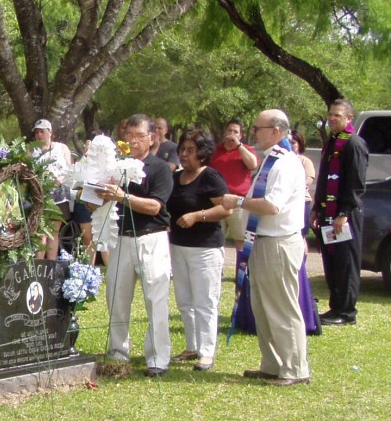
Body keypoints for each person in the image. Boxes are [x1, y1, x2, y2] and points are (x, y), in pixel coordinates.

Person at [222, 109, 310, 386]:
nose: (253, 133)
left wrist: (237, 202)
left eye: (257, 129)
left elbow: (272, 205)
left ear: (275, 131)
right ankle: (272, 364)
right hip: (262, 240)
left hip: (278, 242)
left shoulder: (285, 164)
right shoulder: (270, 160)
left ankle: (295, 368)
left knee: (282, 307)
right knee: (262, 306)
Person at [96, 114, 174, 377]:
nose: (133, 141)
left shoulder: (159, 168)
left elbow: (154, 206)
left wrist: (123, 197)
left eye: (139, 136)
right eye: (128, 135)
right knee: (116, 296)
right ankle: (118, 351)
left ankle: (158, 358)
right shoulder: (116, 166)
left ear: (152, 138)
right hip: (121, 238)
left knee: (155, 299)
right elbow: (102, 200)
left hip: (151, 237)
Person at [166, 130, 230, 372]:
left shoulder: (211, 177)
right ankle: (192, 346)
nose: (184, 154)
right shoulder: (176, 178)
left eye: (190, 150)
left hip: (205, 248)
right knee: (184, 300)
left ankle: (207, 351)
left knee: (205, 301)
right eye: (182, 149)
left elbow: (226, 209)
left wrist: (197, 216)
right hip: (178, 245)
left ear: (203, 154)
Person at [311, 99, 368, 326]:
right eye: (330, 114)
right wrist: (317, 207)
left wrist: (343, 213)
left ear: (349, 118)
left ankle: (346, 312)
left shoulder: (353, 144)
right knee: (332, 261)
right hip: (328, 212)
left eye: (337, 115)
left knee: (346, 262)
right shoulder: (332, 142)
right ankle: (336, 307)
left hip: (345, 215)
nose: (332, 119)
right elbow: (324, 180)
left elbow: (356, 183)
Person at [211, 118, 258, 252]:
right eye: (229, 131)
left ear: (240, 135)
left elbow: (253, 165)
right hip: (218, 201)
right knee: (215, 239)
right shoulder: (215, 150)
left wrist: (239, 146)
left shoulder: (246, 150)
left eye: (235, 132)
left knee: (241, 240)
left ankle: (242, 266)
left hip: (238, 202)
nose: (232, 134)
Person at [31, 118, 72, 258]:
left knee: (54, 232)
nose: (39, 135)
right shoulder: (32, 150)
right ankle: (38, 266)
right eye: (37, 132)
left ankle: (51, 265)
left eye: (42, 131)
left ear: (50, 132)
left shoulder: (62, 148)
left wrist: (61, 178)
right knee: (41, 233)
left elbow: (70, 170)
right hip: (40, 195)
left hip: (59, 195)